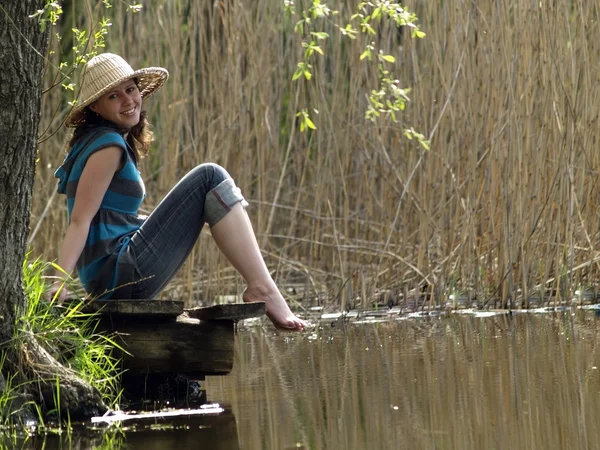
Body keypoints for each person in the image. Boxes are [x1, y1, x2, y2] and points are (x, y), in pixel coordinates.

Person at [48, 53, 306, 331]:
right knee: (210, 176)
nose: (128, 100)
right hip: (120, 274)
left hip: (113, 276)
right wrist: (58, 281)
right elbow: (80, 220)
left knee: (206, 184)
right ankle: (262, 288)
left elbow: (103, 218)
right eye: (113, 96)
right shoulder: (108, 146)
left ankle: (263, 287)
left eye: (131, 89)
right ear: (96, 107)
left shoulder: (94, 142)